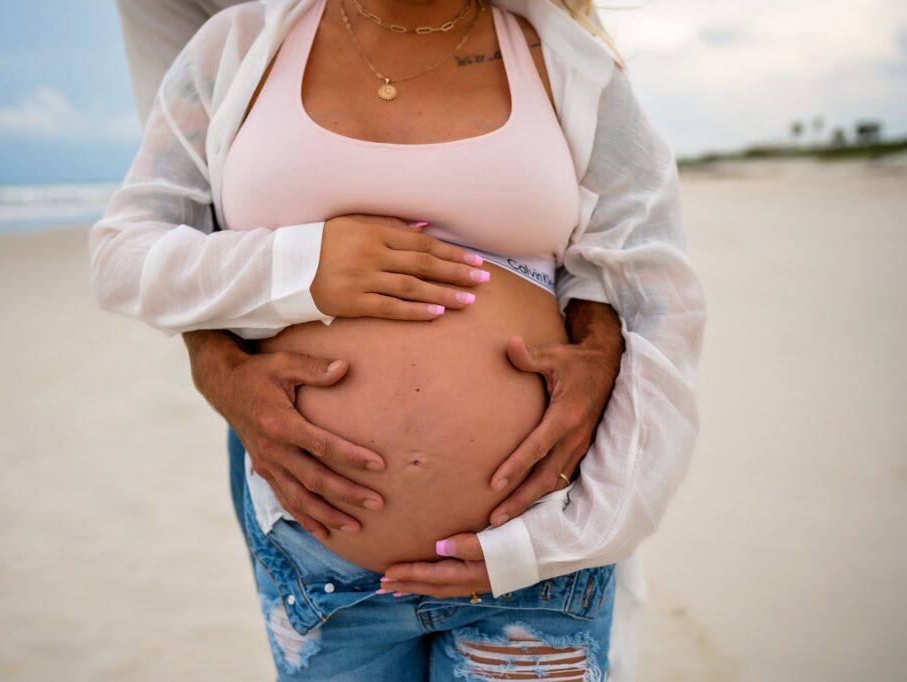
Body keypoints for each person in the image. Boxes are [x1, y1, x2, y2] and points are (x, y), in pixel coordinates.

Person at [94, 0, 706, 678]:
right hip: (322, 569)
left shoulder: (564, 61)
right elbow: (124, 254)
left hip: (536, 565)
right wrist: (303, 267)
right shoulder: (235, 48)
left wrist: (582, 530)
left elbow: (658, 303)